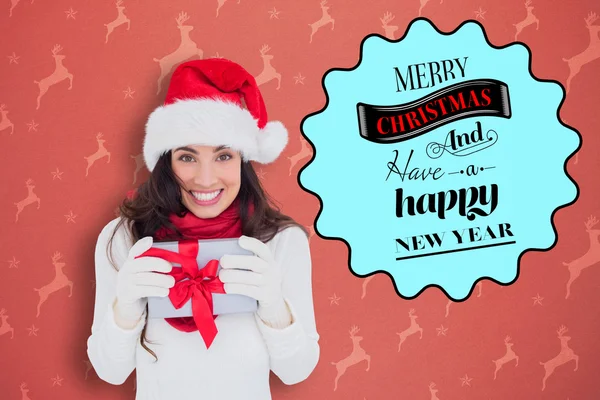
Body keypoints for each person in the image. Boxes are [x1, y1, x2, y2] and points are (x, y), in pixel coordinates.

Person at [86, 58, 320, 399]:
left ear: (244, 160)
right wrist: (125, 307)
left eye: (223, 156)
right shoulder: (124, 236)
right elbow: (111, 372)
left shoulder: (282, 241)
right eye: (187, 157)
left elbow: (296, 371)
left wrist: (274, 306)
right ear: (166, 161)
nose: (205, 179)